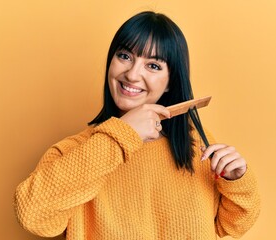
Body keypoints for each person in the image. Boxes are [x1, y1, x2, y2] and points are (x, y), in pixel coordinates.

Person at [14, 11, 260, 239]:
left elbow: (231, 225)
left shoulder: (197, 146)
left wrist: (236, 180)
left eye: (153, 65)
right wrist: (122, 134)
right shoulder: (71, 151)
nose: (132, 74)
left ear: (170, 83)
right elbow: (33, 216)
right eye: (124, 56)